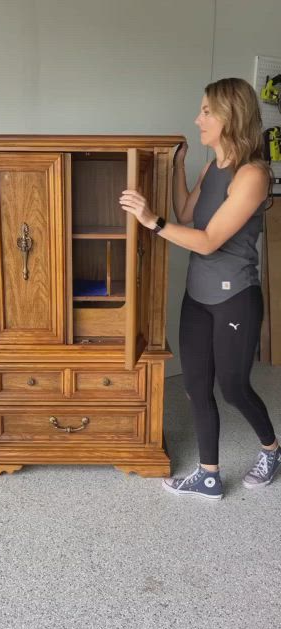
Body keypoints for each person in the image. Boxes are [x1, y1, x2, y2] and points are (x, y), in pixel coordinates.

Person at [119, 77, 281, 501]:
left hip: (235, 298)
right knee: (195, 384)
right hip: (198, 296)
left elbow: (208, 239)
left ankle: (272, 448)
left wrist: (151, 222)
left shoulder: (253, 175)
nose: (198, 118)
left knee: (233, 387)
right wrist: (177, 167)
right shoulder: (213, 167)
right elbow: (186, 213)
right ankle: (209, 475)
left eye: (206, 111)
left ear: (231, 115)